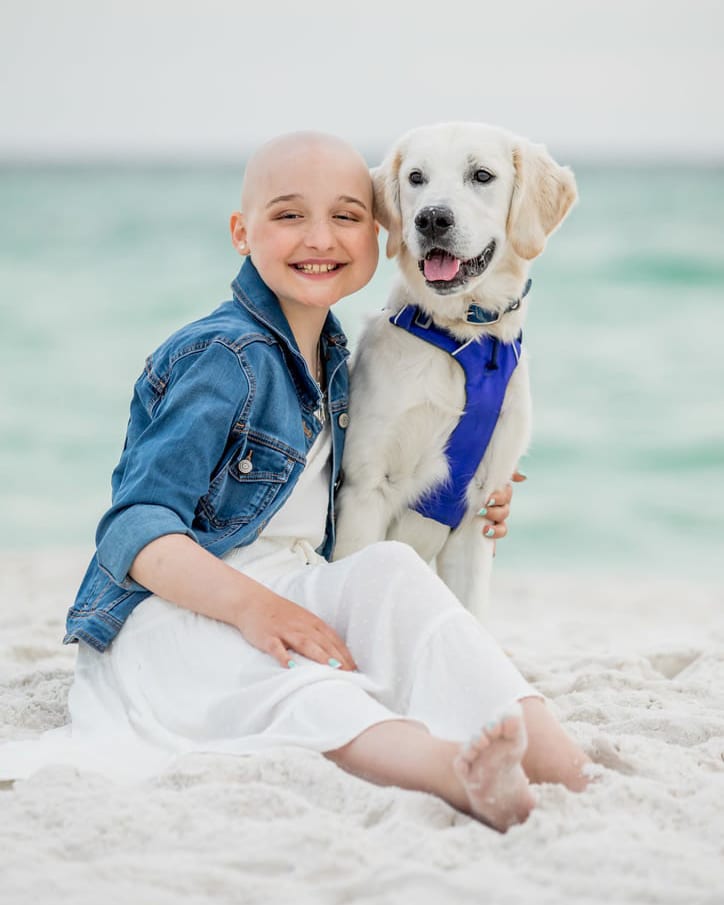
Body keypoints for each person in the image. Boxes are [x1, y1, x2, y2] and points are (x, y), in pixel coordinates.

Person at [3, 132, 591, 831]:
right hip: (177, 614)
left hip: (289, 587)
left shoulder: (340, 355)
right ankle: (451, 771)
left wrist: (472, 480)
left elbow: (363, 492)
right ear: (240, 232)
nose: (320, 236)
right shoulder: (224, 356)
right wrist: (255, 609)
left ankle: (567, 763)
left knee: (395, 574)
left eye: (346, 216)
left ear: (379, 232)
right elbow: (134, 530)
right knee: (310, 690)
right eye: (288, 215)